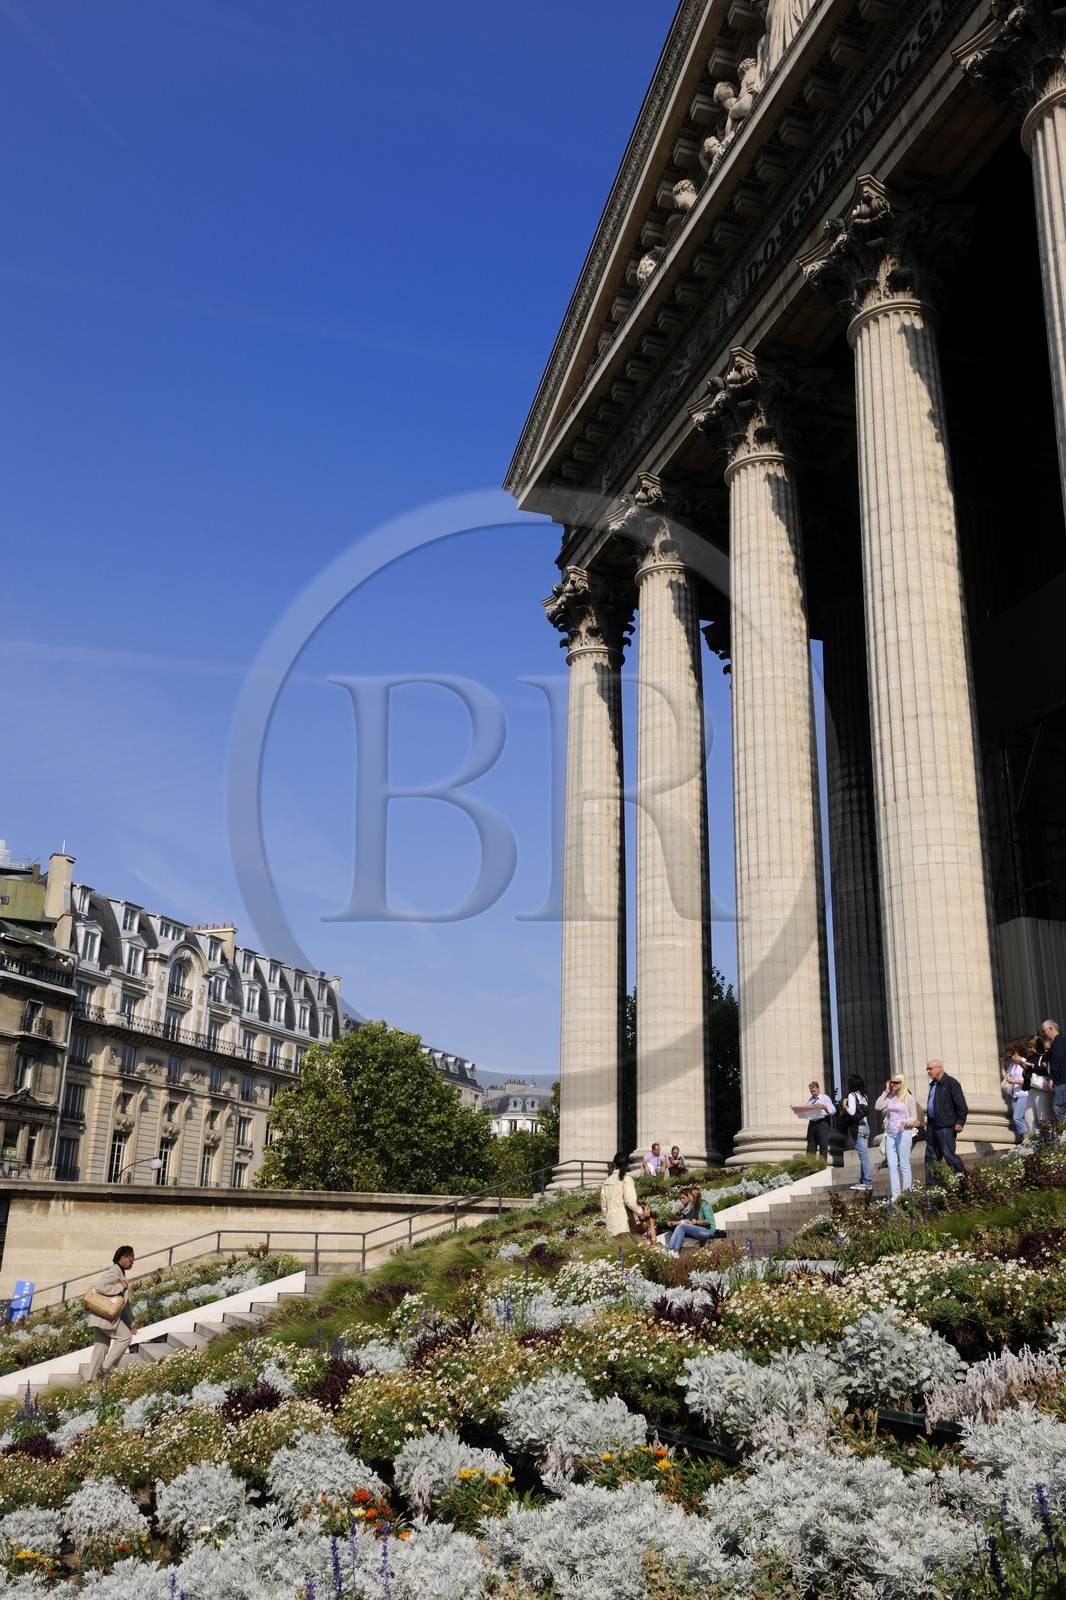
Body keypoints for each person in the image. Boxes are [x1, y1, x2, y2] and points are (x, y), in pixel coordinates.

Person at [86, 1244, 138, 1381]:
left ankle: (91, 1381)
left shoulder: (119, 1272)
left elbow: (124, 1304)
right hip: (105, 1318)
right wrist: (120, 1286)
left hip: (99, 1318)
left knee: (101, 1348)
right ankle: (105, 1370)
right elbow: (100, 1287)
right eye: (131, 1259)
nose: (133, 1262)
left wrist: (130, 1322)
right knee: (125, 1337)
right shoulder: (115, 1271)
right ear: (122, 1258)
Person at [875, 1075, 920, 1198]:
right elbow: (878, 1106)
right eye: (891, 1082)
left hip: (903, 1133)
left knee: (904, 1164)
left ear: (902, 1083)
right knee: (892, 1165)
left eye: (896, 1082)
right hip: (890, 1134)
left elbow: (914, 1117)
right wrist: (886, 1092)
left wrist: (904, 1122)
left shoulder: (908, 1098)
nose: (893, 1084)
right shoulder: (891, 1097)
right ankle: (895, 1195)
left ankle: (907, 1192)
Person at [923, 1059, 968, 1180]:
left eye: (930, 1069)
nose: (928, 1071)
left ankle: (963, 1177)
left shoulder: (951, 1083)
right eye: (927, 1069)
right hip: (932, 1125)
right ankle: (932, 1185)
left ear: (939, 1068)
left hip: (946, 1125)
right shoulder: (933, 1085)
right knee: (930, 1157)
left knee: (948, 1154)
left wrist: (960, 1121)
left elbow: (961, 1105)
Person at [665, 1186, 725, 1255]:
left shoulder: (704, 1205)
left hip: (708, 1231)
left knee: (681, 1227)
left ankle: (675, 1251)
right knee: (679, 1226)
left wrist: (697, 1222)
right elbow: (688, 1221)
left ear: (694, 1196)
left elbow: (709, 1221)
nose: (689, 1199)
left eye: (689, 1196)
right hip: (700, 1229)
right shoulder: (694, 1207)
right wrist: (674, 1223)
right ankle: (669, 1250)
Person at [600, 1153, 645, 1239]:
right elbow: (630, 1202)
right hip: (624, 1222)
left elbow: (604, 1207)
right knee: (626, 1250)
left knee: (615, 1250)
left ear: (614, 1164)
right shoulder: (626, 1179)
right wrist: (641, 1213)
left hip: (611, 1223)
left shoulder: (606, 1182)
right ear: (628, 1165)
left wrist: (608, 1218)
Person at [840, 1073, 872, 1191]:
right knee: (863, 1155)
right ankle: (863, 1180)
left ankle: (867, 1181)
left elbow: (852, 1112)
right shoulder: (864, 1096)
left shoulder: (852, 1095)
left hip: (857, 1128)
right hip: (866, 1127)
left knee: (863, 1156)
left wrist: (844, 1106)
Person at [1001, 1045, 1029, 1142]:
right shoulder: (1012, 1065)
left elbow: (1027, 1080)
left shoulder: (1024, 1062)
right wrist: (1003, 1064)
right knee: (1019, 1119)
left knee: (1017, 1117)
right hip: (1014, 1095)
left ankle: (1027, 1139)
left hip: (1023, 1093)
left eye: (1010, 1056)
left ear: (1015, 1053)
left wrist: (1013, 1082)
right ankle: (1025, 1140)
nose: (1009, 1058)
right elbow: (1006, 1077)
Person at [803, 1081, 835, 1161]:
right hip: (812, 1123)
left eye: (814, 1091)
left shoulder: (825, 1098)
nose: (813, 1093)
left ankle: (822, 1166)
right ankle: (810, 1167)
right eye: (811, 1091)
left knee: (823, 1145)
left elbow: (833, 1110)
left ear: (818, 1089)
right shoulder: (810, 1100)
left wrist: (824, 1107)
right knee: (810, 1146)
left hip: (822, 1122)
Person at [1042, 1021, 1066, 1122]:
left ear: (1050, 1028)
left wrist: (1051, 1078)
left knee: (1058, 1109)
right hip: (1061, 1079)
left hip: (1060, 1080)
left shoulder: (1057, 1041)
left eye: (1044, 1031)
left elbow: (1057, 1059)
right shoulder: (1060, 1041)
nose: (1043, 1034)